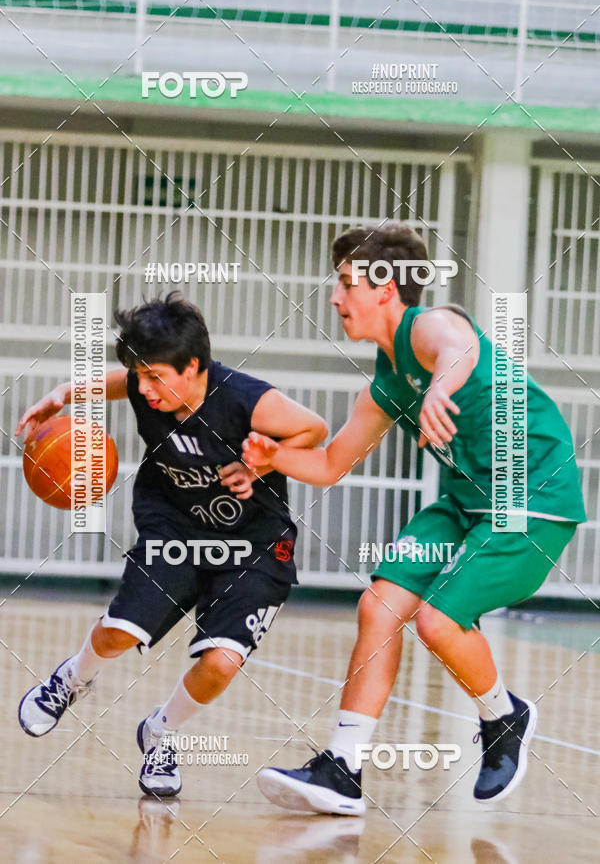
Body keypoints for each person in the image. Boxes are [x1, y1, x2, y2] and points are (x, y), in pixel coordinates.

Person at [242, 223, 586, 815]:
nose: (335, 297)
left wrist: (439, 389)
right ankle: (342, 768)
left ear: (385, 287)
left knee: (438, 622)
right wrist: (275, 458)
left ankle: (503, 717)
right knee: (378, 606)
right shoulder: (385, 379)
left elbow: (460, 348)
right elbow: (330, 463)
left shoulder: (428, 326)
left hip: (528, 499)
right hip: (463, 502)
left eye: (346, 282)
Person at [16, 292, 327, 798]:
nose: (144, 388)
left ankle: (161, 733)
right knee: (119, 632)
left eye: (156, 377)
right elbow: (121, 382)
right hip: (175, 525)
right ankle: (71, 679)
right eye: (139, 376)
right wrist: (64, 395)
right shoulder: (147, 382)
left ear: (195, 367)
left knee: (222, 662)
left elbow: (315, 429)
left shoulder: (249, 398)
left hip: (255, 541)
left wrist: (262, 463)